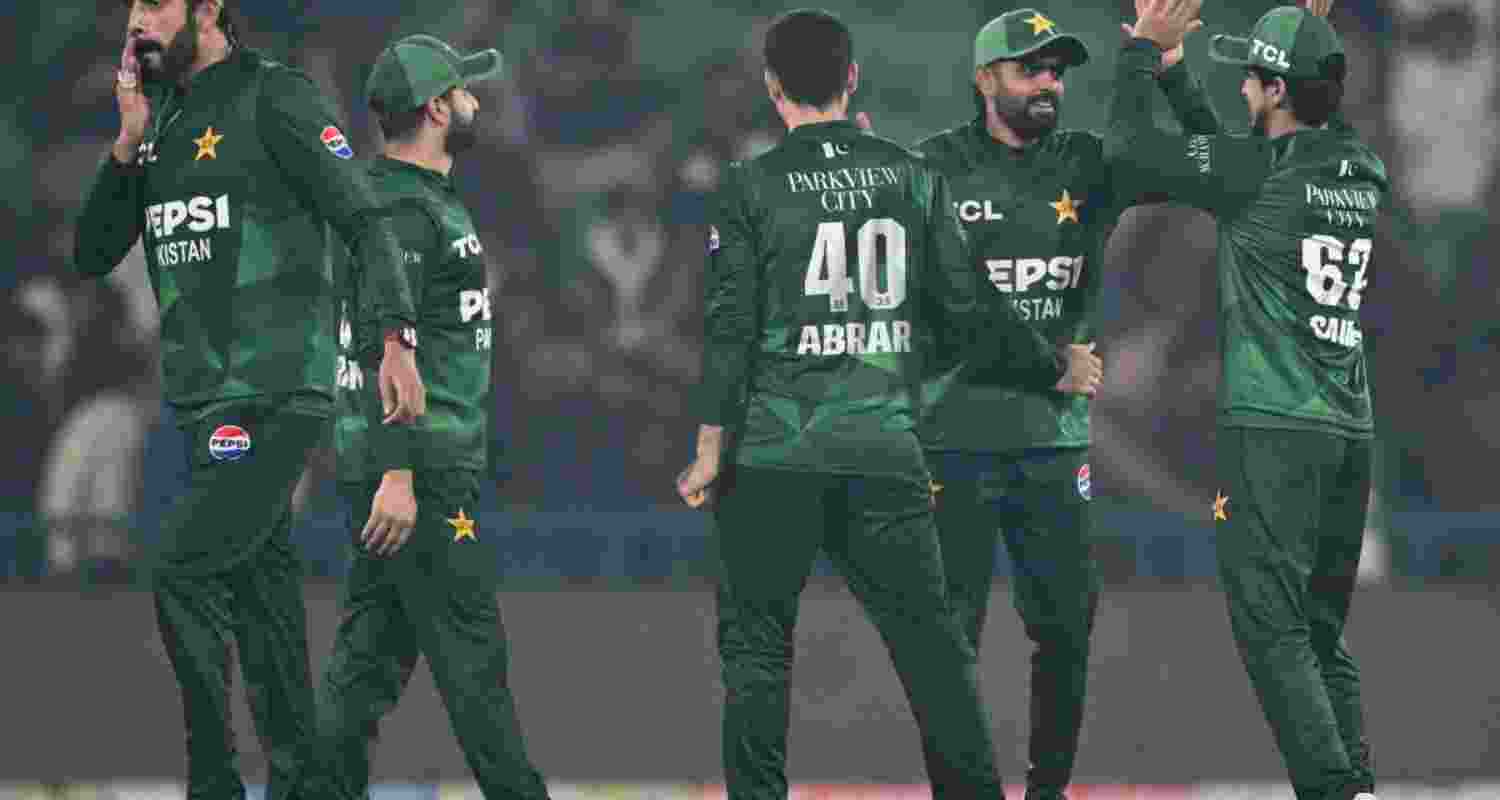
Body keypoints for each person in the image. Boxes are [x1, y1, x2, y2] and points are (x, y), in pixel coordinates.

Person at [674, 9, 1101, 798]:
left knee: (759, 656)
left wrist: (709, 442)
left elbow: (728, 328)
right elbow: (970, 311)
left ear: (774, 89)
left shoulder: (749, 186)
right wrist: (1053, 367)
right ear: (854, 80)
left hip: (772, 455)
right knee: (936, 653)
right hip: (884, 454)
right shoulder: (910, 176)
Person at [72, 0, 424, 795]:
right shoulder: (157, 122)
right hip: (200, 401)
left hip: (274, 390)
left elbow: (366, 219)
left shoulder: (276, 95)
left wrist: (397, 338)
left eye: (156, 4)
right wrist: (125, 147)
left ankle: (214, 784)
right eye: (131, 7)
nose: (138, 21)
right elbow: (92, 254)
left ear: (209, 8)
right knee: (266, 616)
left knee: (182, 571)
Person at [901, 8, 1220, 797]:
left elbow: (1215, 162)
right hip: (954, 439)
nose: (1048, 83)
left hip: (1054, 447)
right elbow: (951, 305)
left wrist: (1164, 63)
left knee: (1067, 638)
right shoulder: (931, 167)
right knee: (950, 645)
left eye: (1058, 70)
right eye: (1029, 68)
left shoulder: (1088, 162)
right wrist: (1050, 364)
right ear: (984, 80)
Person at [1111, 2, 1385, 799]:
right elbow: (1230, 152)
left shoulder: (1250, 173)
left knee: (1271, 629)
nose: (1239, 89)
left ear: (1272, 90)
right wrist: (1180, 77)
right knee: (1321, 633)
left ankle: (1333, 790)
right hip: (1347, 429)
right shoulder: (1358, 164)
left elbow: (1133, 154)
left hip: (1273, 429)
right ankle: (1354, 786)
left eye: (1251, 79)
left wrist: (1142, 54)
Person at [297, 34, 551, 800]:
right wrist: (401, 472)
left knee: (366, 666)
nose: (476, 101)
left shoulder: (404, 200)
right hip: (419, 473)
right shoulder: (403, 212)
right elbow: (389, 353)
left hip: (404, 468)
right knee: (475, 665)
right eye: (465, 91)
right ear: (438, 108)